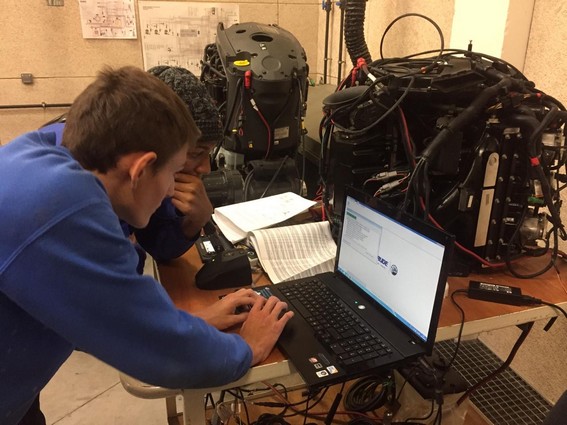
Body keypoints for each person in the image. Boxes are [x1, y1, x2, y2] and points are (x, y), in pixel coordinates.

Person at [0, 65, 293, 425]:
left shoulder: (50, 150)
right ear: (140, 169)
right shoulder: (61, 206)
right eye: (172, 173)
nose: (172, 189)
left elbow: (100, 309)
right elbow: (160, 352)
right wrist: (246, 348)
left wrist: (188, 321)